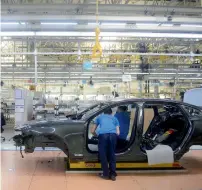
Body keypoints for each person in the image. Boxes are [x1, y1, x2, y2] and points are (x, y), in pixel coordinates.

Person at [91, 108, 120, 181]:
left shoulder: (99, 117)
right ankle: (113, 174)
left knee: (103, 155)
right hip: (113, 136)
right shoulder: (115, 118)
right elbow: (118, 132)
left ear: (103, 113)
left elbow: (92, 131)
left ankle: (106, 174)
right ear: (111, 113)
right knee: (112, 155)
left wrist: (96, 135)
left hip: (103, 136)